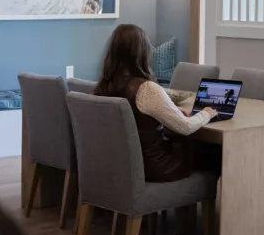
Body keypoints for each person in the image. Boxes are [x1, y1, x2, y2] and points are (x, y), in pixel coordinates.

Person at [93, 23, 217, 183]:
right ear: (142, 52)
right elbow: (186, 127)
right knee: (213, 152)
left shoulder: (105, 85)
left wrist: (171, 109)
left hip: (125, 164)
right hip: (157, 166)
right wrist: (207, 113)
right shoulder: (146, 89)